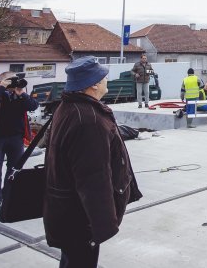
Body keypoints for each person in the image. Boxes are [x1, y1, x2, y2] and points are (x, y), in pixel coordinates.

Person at [44, 56, 141, 267]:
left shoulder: (68, 108)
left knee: (71, 260)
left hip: (66, 210)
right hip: (81, 217)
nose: (107, 80)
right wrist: (101, 224)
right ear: (94, 84)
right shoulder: (88, 120)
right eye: (104, 77)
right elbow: (94, 178)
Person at [0, 71, 39, 213]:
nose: (14, 83)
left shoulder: (19, 96)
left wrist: (21, 93)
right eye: (11, 80)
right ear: (1, 82)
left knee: (15, 170)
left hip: (16, 138)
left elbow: (34, 106)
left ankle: (8, 195)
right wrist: (0, 89)